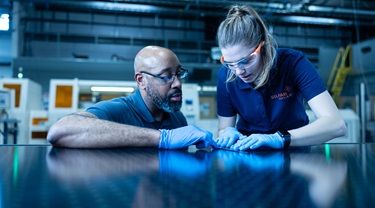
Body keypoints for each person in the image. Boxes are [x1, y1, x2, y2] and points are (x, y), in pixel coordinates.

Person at [214, 5, 346, 151]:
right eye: (230, 63)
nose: (238, 71)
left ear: (263, 47)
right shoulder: (225, 76)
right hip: (249, 156)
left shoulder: (294, 63)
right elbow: (223, 129)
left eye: (246, 61)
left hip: (295, 152)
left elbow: (336, 125)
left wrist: (280, 138)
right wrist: (227, 132)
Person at [47, 46, 216, 149]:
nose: (177, 83)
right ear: (141, 80)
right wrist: (162, 138)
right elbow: (59, 132)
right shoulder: (118, 110)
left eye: (179, 74)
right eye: (166, 76)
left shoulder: (177, 118)